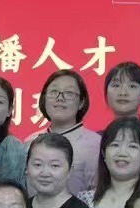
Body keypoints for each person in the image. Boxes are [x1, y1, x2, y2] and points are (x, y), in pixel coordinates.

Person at [28, 69, 100, 197]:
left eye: (69, 93)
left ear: (81, 102)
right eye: (53, 92)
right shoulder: (29, 142)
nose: (60, 98)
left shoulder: (96, 144)